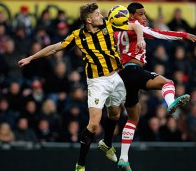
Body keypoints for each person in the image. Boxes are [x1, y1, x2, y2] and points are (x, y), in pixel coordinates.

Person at [18, 3, 145, 171]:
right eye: (98, 14)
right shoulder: (78, 36)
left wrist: (141, 38)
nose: (101, 16)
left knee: (115, 114)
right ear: (88, 19)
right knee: (93, 125)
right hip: (97, 82)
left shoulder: (109, 23)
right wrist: (31, 58)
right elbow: (55, 48)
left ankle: (107, 144)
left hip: (115, 77)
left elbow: (135, 25)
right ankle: (80, 165)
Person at [114, 2, 196, 170]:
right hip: (134, 70)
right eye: (141, 14)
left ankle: (123, 158)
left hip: (121, 76)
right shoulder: (136, 27)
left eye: (145, 14)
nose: (144, 17)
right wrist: (184, 35)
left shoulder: (115, 32)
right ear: (131, 16)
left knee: (133, 117)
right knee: (167, 82)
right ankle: (170, 104)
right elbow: (160, 33)